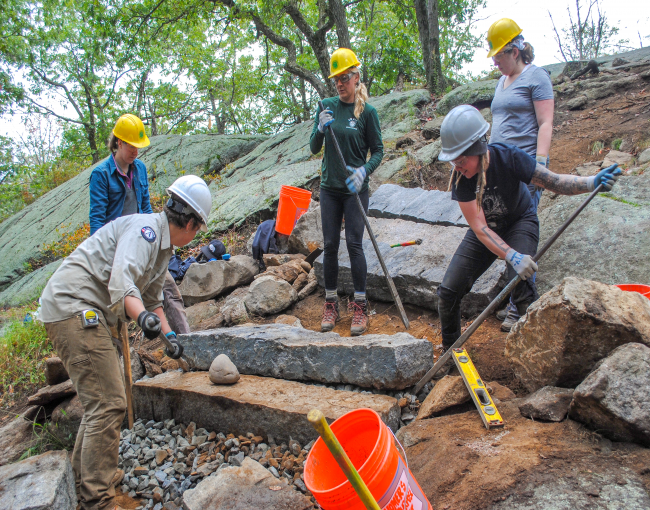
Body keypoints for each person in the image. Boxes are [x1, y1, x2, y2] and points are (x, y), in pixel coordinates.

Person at [40, 175, 212, 510]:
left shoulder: (162, 248)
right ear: (191, 223)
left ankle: (85, 477)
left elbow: (153, 302)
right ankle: (98, 499)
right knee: (109, 402)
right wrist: (140, 317)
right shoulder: (145, 231)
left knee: (102, 401)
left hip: (84, 309)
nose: (198, 234)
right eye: (199, 228)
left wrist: (169, 338)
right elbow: (122, 282)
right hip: (74, 307)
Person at [436, 105, 620, 363]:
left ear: (478, 147)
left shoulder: (508, 157)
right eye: (453, 159)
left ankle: (538, 360)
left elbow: (553, 181)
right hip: (487, 230)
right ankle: (450, 352)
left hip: (520, 221)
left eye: (461, 157)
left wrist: (591, 182)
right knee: (448, 292)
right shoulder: (461, 178)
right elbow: (480, 228)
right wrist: (511, 255)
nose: (457, 164)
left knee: (520, 286)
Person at [89, 114, 190, 334]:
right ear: (119, 142)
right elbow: (97, 219)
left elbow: (146, 210)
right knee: (118, 302)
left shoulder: (140, 169)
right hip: (116, 248)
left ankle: (185, 340)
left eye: (138, 147)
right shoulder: (101, 174)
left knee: (168, 290)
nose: (135, 151)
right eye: (131, 146)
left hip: (145, 240)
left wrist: (157, 241)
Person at [487, 18, 555, 331]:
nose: (495, 60)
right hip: (498, 172)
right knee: (504, 233)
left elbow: (545, 122)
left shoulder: (536, 76)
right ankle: (514, 298)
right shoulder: (502, 82)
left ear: (515, 50)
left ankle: (519, 309)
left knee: (522, 234)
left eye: (499, 55)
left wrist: (540, 165)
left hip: (525, 166)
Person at [309, 48, 384, 336]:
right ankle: (330, 303)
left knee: (354, 244)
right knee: (330, 245)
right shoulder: (326, 106)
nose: (339, 84)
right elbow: (314, 148)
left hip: (355, 190)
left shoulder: (368, 112)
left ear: (356, 77)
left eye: (344, 78)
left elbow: (378, 151)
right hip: (330, 189)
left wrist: (364, 170)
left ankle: (360, 307)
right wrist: (319, 128)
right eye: (336, 79)